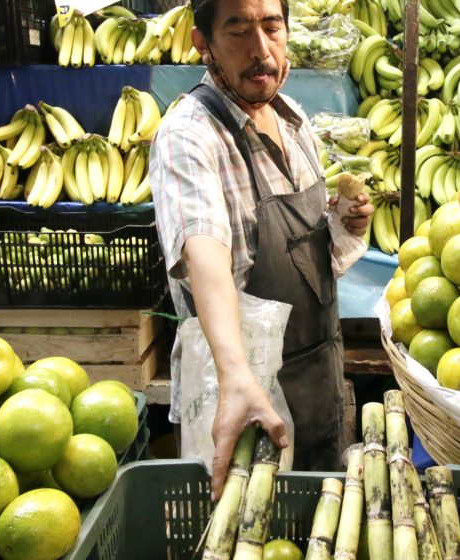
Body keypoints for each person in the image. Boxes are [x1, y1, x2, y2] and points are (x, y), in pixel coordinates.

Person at [148, 0, 374, 498]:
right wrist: (236, 377)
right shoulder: (189, 135)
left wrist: (342, 222)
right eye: (238, 32)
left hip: (318, 376)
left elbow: (308, 252)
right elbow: (202, 252)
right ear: (201, 43)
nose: (261, 50)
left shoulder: (291, 119)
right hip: (244, 389)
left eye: (272, 27)